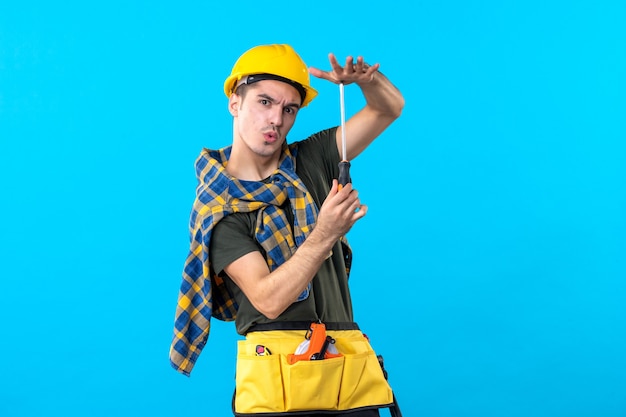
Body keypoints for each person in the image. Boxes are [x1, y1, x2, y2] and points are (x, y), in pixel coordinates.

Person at [170, 44, 404, 417]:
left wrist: (367, 80)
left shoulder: (313, 158)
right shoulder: (219, 209)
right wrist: (326, 232)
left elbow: (387, 108)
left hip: (347, 367)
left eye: (288, 109)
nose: (276, 119)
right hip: (277, 383)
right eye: (264, 102)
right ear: (235, 102)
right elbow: (268, 300)